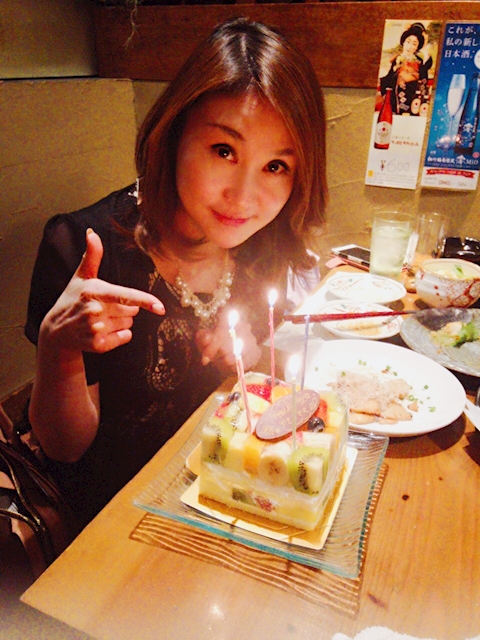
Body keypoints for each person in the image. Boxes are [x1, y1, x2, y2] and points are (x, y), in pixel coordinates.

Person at [24, 17, 328, 528]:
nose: (244, 197)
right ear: (174, 132)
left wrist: (245, 355)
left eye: (276, 166)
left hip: (226, 492)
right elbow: (64, 447)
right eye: (224, 151)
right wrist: (58, 346)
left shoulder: (263, 245)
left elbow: (251, 369)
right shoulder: (83, 248)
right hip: (118, 519)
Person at [379, 22, 432, 115]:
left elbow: (423, 79)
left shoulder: (420, 61)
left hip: (412, 100)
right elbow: (389, 79)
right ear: (403, 42)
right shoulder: (397, 59)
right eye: (408, 42)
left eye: (414, 44)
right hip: (396, 100)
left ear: (417, 47)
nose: (410, 47)